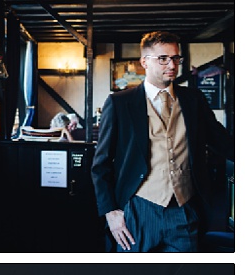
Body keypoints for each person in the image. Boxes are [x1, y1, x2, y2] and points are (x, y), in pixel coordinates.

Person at [92, 31, 232, 252]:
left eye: (176, 58)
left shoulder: (194, 99)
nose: (172, 64)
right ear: (144, 62)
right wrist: (110, 211)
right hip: (138, 209)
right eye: (163, 58)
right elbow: (100, 164)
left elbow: (222, 141)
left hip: (184, 208)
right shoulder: (120, 103)